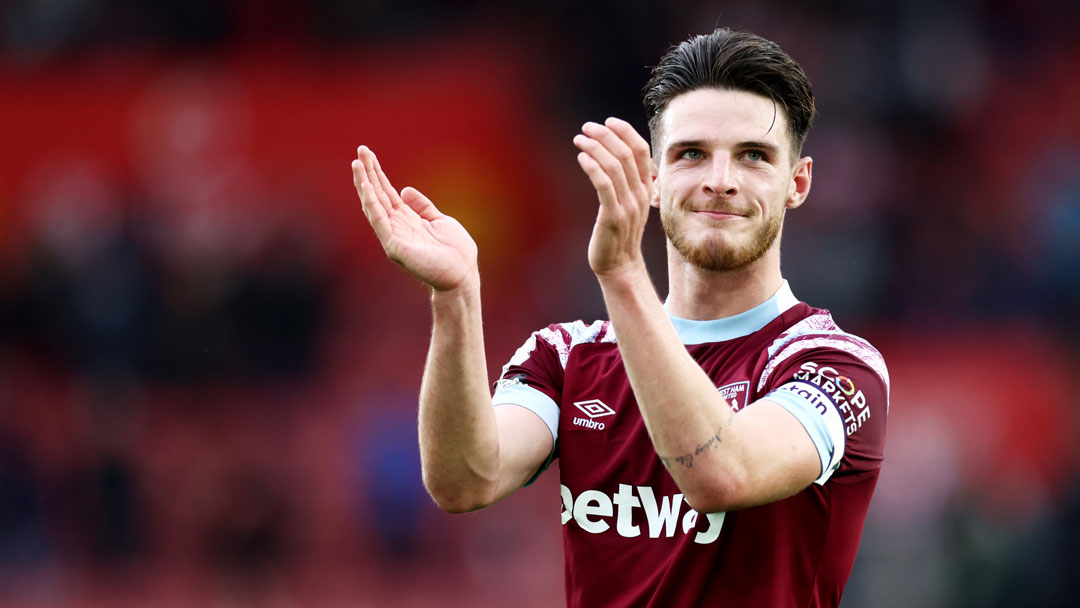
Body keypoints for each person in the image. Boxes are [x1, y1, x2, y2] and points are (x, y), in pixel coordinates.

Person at [352, 27, 888, 608]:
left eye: (753, 156)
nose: (720, 180)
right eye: (691, 154)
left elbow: (720, 473)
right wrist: (455, 298)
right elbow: (464, 481)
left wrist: (622, 272)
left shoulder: (833, 365)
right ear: (653, 180)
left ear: (797, 183)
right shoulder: (568, 358)